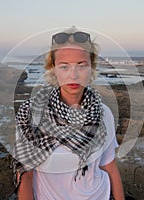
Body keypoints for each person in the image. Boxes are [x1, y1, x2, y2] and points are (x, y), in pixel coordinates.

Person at [12, 26, 124, 200]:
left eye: (81, 65)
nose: (74, 75)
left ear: (91, 68)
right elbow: (25, 174)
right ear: (53, 69)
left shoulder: (103, 113)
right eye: (64, 67)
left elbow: (109, 165)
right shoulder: (32, 114)